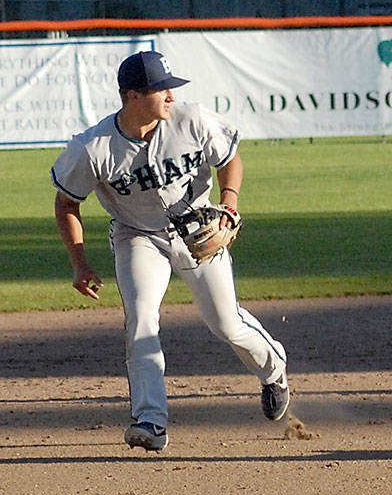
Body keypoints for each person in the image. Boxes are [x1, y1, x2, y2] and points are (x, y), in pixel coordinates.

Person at [51, 50, 290, 452]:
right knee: (141, 319)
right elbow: (66, 203)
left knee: (226, 323)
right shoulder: (92, 147)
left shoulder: (191, 120)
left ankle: (273, 370)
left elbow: (229, 159)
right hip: (137, 236)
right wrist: (80, 263)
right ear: (133, 96)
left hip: (199, 229)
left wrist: (229, 204)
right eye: (161, 89)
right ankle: (150, 420)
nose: (171, 96)